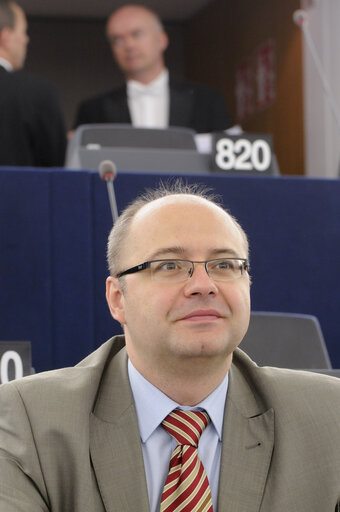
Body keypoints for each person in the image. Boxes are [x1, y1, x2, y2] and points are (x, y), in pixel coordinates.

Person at [0, 180, 339, 512]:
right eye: (170, 266)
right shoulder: (28, 420)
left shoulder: (328, 418)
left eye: (224, 265)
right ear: (118, 299)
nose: (204, 286)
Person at [74, 4, 232, 133]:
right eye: (118, 40)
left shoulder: (206, 101)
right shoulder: (92, 111)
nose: (129, 45)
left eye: (137, 34)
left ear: (162, 40)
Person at [0, 0, 66, 167]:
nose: (26, 40)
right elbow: (54, 170)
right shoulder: (38, 93)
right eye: (23, 32)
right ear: (5, 37)